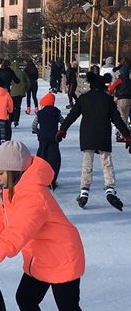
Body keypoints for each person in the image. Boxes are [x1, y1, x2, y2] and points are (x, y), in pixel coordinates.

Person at [0, 140, 85, 311]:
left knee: (68, 307)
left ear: (14, 170)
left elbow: (17, 232)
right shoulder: (13, 189)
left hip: (62, 257)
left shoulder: (33, 197)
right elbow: (1, 218)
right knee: (25, 299)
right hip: (42, 257)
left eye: (0, 172)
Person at [57, 72, 131, 210]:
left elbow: (72, 115)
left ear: (90, 85)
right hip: (103, 134)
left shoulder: (84, 98)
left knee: (87, 163)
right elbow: (117, 119)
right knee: (106, 163)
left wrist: (62, 130)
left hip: (87, 134)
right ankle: (110, 189)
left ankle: (84, 191)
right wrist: (127, 136)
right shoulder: (107, 99)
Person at [31, 93, 64, 189]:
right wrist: (60, 132)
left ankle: (40, 179)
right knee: (54, 160)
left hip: (43, 140)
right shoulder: (57, 112)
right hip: (54, 139)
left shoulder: (40, 113)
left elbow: (34, 126)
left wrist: (38, 132)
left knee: (41, 159)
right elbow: (63, 123)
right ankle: (52, 181)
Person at [110, 57, 130, 142]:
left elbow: (111, 88)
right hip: (130, 98)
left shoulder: (119, 78)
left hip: (121, 98)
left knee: (122, 117)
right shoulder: (129, 78)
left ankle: (123, 135)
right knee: (127, 115)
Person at [9, 60, 28, 127]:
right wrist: (25, 88)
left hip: (13, 92)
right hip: (21, 92)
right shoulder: (22, 72)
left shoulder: (10, 72)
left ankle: (11, 119)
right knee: (18, 107)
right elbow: (28, 81)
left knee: (12, 106)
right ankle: (16, 120)